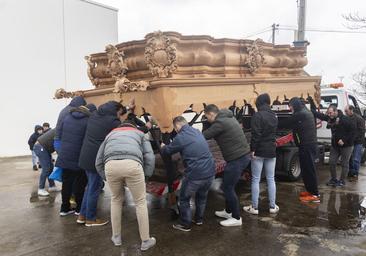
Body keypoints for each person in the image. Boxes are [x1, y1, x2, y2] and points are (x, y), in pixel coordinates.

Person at [95, 121, 156, 251]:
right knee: (140, 202)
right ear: (133, 127)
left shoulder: (110, 135)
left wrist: (106, 176)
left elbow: (98, 160)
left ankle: (116, 237)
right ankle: (145, 240)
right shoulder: (140, 134)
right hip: (132, 164)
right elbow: (149, 156)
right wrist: (146, 175)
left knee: (116, 200)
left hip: (110, 166)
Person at [161, 116, 215, 232]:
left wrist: (163, 147)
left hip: (195, 174)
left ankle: (185, 224)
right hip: (210, 171)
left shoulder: (181, 137)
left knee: (184, 199)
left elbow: (167, 151)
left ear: (176, 127)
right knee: (202, 197)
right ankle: (199, 219)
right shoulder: (196, 131)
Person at [78, 101, 126, 226]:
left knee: (89, 187)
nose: (120, 115)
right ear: (116, 110)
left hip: (85, 156)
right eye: (120, 113)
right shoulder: (113, 122)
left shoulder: (94, 115)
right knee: (95, 188)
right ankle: (91, 219)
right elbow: (123, 128)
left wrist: (127, 109)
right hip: (95, 159)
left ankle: (82, 215)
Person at [203, 104, 251, 227]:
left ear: (211, 114)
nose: (206, 119)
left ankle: (236, 217)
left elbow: (204, 136)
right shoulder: (228, 117)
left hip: (237, 159)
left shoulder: (220, 123)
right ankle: (228, 211)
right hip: (241, 156)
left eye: (206, 117)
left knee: (227, 187)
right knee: (228, 185)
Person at [56, 104, 96, 217]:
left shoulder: (67, 117)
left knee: (66, 184)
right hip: (79, 157)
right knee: (80, 184)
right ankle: (79, 209)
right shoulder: (88, 120)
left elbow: (59, 133)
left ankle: (64, 209)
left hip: (64, 156)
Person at [279, 97, 320, 203]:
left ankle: (315, 194)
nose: (290, 108)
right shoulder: (305, 111)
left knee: (309, 170)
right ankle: (310, 191)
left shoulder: (301, 114)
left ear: (295, 105)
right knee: (305, 170)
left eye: (291, 106)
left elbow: (286, 123)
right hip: (306, 145)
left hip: (307, 145)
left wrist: (272, 121)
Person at [243, 94, 279, 214]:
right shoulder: (274, 116)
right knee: (271, 179)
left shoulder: (257, 116)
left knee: (256, 179)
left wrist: (253, 149)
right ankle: (273, 206)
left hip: (259, 151)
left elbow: (256, 135)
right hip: (271, 150)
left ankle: (254, 207)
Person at [310, 100, 357, 187]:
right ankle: (334, 179)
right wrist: (310, 105)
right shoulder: (330, 118)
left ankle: (342, 181)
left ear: (335, 111)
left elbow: (353, 132)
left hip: (346, 146)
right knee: (331, 162)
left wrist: (344, 140)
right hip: (335, 146)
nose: (329, 114)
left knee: (344, 163)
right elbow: (319, 115)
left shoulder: (345, 119)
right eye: (328, 113)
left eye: (330, 113)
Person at [33, 128, 60, 196]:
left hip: (44, 148)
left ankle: (52, 186)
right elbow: (58, 145)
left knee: (50, 167)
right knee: (46, 169)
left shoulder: (60, 129)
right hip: (40, 147)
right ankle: (41, 189)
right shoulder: (60, 130)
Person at [345, 105, 365, 181]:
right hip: (350, 142)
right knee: (350, 158)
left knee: (356, 158)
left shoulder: (359, 119)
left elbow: (361, 131)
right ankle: (351, 171)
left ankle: (355, 173)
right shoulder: (347, 118)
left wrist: (353, 139)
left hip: (358, 142)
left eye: (346, 111)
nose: (345, 112)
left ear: (351, 110)